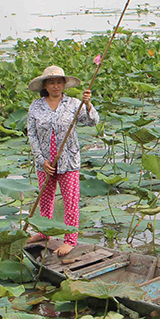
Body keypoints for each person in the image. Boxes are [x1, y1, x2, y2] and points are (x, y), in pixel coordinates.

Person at [25, 65, 99, 257]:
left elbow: (92, 122)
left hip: (68, 161)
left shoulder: (75, 103)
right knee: (45, 200)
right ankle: (43, 232)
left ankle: (70, 240)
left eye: (59, 82)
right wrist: (41, 161)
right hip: (46, 163)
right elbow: (32, 135)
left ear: (64, 85)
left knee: (70, 201)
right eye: (52, 82)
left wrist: (88, 104)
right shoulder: (36, 106)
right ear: (45, 85)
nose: (56, 86)